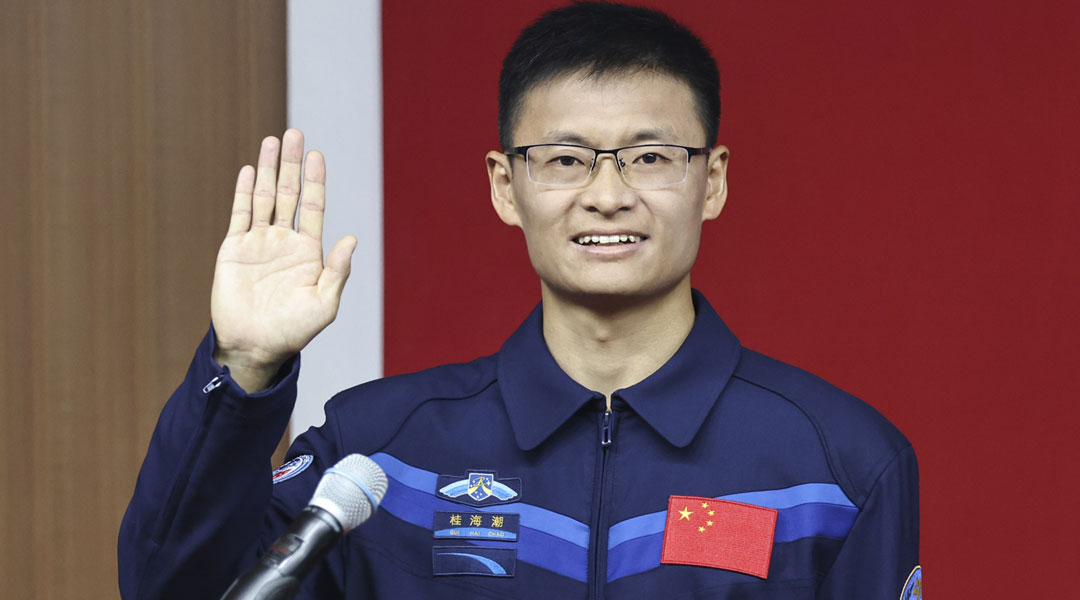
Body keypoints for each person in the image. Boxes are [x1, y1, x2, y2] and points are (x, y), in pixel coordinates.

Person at [119, 3, 919, 599]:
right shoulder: (381, 455)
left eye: (649, 157)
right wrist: (244, 368)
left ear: (710, 182)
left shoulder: (838, 467)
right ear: (507, 187)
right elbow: (171, 589)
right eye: (566, 160)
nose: (607, 194)